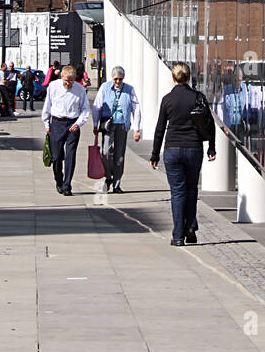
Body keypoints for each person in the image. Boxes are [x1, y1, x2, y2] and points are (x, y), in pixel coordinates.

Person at [150, 62, 216, 246]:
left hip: (173, 148)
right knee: (192, 189)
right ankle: (191, 227)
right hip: (194, 147)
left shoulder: (167, 99)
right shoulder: (198, 97)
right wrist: (212, 146)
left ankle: (178, 235)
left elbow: (160, 129)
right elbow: (209, 123)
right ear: (189, 77)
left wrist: (155, 154)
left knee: (177, 192)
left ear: (173, 78)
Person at [42, 63, 91, 195]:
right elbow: (47, 106)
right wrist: (47, 124)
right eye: (66, 81)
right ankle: (59, 179)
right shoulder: (53, 86)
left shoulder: (79, 89)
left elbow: (85, 109)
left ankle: (67, 184)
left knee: (70, 156)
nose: (68, 84)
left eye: (71, 81)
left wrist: (79, 123)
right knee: (56, 156)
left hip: (72, 124)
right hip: (57, 123)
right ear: (61, 77)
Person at [92, 66, 141, 193]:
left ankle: (116, 183)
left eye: (120, 79)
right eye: (115, 79)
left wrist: (137, 128)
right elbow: (97, 106)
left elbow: (136, 108)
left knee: (119, 156)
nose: (118, 82)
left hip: (122, 125)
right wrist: (95, 124)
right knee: (105, 153)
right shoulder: (105, 87)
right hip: (108, 124)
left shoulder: (129, 89)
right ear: (112, 78)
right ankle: (108, 177)